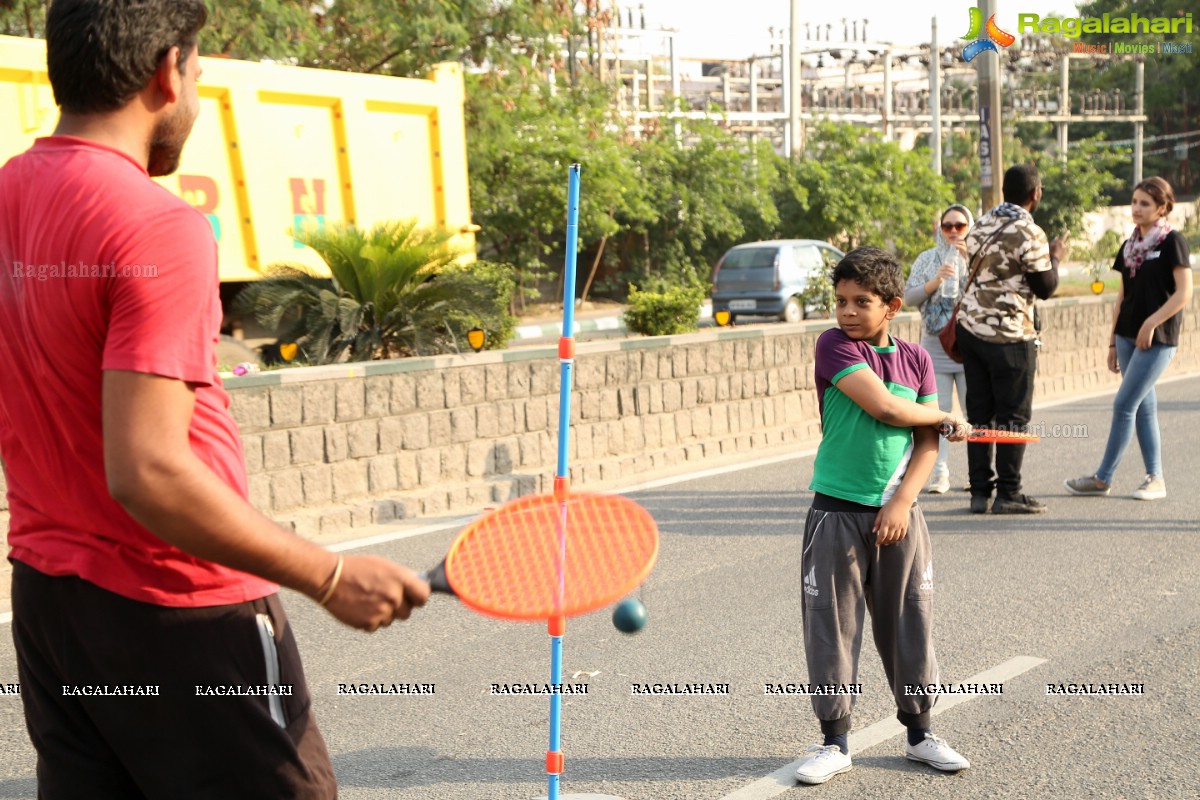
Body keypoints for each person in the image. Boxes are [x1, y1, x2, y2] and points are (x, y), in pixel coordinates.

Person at [0, 2, 429, 797]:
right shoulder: (156, 227)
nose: (193, 93)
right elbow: (149, 472)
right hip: (179, 612)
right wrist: (331, 576)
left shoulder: (7, 197)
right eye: (198, 72)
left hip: (51, 605)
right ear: (169, 72)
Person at [794, 247, 972, 786]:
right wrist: (944, 415)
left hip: (901, 516)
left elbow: (923, 447)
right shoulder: (833, 346)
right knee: (832, 628)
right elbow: (888, 410)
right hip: (837, 513)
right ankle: (835, 742)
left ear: (892, 305)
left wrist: (900, 503)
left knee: (910, 625)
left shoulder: (917, 360)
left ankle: (920, 734)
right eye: (840, 301)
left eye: (861, 302)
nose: (847, 312)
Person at [1065, 177, 1193, 500]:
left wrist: (1151, 323)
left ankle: (1102, 478)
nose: (1137, 208)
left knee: (1124, 403)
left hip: (1157, 337)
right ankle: (1156, 478)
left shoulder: (1172, 242)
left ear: (1162, 208)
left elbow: (1184, 294)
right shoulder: (1129, 246)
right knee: (1144, 406)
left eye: (1145, 203)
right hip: (1125, 335)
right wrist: (1111, 342)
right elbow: (1122, 296)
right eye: (1135, 202)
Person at [956, 164, 1068, 515]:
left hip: (970, 330)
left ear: (1005, 191)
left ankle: (979, 492)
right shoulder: (1028, 231)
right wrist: (1056, 257)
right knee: (1012, 417)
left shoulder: (980, 225)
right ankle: (1008, 493)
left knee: (978, 414)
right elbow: (1045, 288)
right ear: (1036, 194)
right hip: (1009, 334)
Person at [905, 204, 975, 494]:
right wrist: (937, 281)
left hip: (969, 344)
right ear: (940, 228)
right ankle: (940, 474)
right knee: (939, 413)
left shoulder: (977, 259)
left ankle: (977, 475)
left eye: (960, 226)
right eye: (948, 226)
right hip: (934, 346)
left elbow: (987, 293)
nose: (954, 231)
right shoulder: (927, 258)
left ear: (969, 228)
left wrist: (968, 261)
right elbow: (909, 297)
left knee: (974, 411)